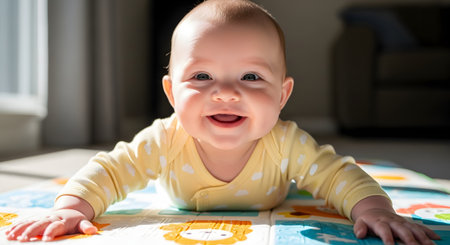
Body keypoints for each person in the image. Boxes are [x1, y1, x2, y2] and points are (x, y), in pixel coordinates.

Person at [6, 0, 440, 244]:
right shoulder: (165, 139)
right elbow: (110, 169)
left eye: (251, 77)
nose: (226, 92)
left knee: (328, 178)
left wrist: (377, 211)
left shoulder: (286, 143)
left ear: (282, 95)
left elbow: (339, 175)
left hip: (278, 191)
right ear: (172, 95)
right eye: (202, 76)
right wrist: (70, 208)